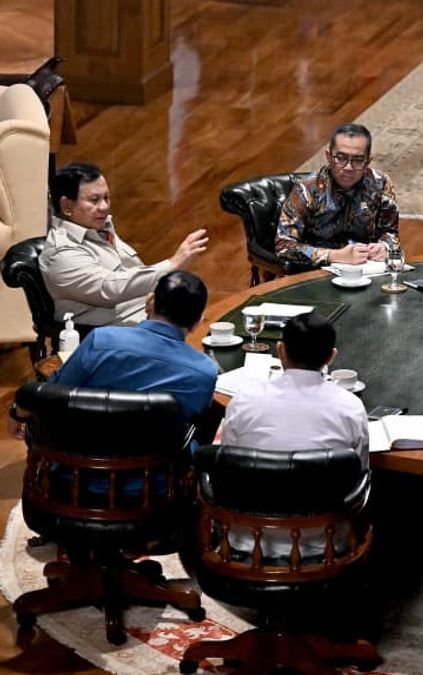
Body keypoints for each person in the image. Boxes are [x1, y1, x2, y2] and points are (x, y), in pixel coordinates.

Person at [219, 312, 369, 559]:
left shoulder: (243, 400)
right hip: (324, 540)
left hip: (247, 536)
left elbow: (228, 466)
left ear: (281, 350)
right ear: (331, 356)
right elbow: (359, 473)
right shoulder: (350, 407)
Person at [40, 162, 209, 327]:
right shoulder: (61, 253)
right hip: (113, 333)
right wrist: (172, 264)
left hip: (146, 313)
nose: (104, 207)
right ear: (66, 206)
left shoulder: (99, 228)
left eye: (106, 198)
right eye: (94, 200)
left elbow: (132, 270)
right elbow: (109, 288)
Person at [48, 271, 218, 425]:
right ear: (197, 323)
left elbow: (55, 393)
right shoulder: (204, 373)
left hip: (78, 445)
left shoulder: (100, 340)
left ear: (149, 302)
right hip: (158, 450)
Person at [275, 123, 400, 267]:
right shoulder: (306, 189)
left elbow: (390, 233)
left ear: (368, 162)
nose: (348, 167)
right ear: (329, 157)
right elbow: (284, 246)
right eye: (341, 158)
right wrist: (334, 256)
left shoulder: (380, 184)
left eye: (358, 160)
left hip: (366, 267)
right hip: (315, 271)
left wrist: (384, 247)